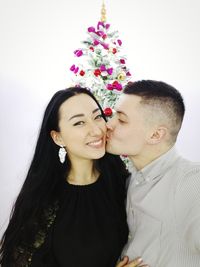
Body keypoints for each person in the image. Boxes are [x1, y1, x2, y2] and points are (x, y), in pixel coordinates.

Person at [0, 86, 133, 267]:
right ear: (58, 138)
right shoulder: (43, 201)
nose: (96, 130)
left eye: (97, 117)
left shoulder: (124, 184)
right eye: (79, 123)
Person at [107, 80, 200, 267]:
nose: (109, 124)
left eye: (122, 119)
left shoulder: (192, 182)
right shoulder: (130, 180)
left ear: (156, 135)